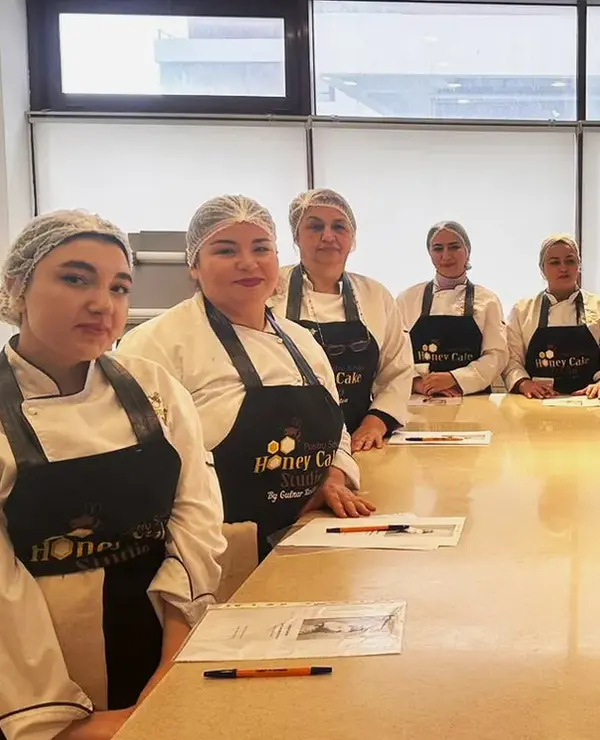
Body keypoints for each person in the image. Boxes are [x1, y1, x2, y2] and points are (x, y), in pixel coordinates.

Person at [0, 211, 224, 740]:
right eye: (75, 279)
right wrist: (59, 723)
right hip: (29, 686)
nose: (103, 304)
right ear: (17, 286)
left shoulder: (155, 388)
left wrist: (171, 665)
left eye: (119, 287)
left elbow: (195, 518)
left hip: (161, 646)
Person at [118, 195, 371, 561]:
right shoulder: (154, 344)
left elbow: (339, 432)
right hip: (212, 554)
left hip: (307, 539)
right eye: (226, 250)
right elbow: (140, 472)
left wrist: (335, 476)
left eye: (261, 248)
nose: (248, 263)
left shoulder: (302, 342)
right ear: (194, 264)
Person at [274, 189, 413, 450]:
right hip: (283, 447)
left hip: (361, 442)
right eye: (315, 226)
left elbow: (397, 370)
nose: (328, 236)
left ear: (351, 238)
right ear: (296, 236)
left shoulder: (375, 295)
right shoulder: (268, 291)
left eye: (339, 226)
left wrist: (377, 422)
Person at [503, 234, 600, 399]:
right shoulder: (522, 311)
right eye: (554, 262)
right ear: (542, 269)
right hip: (537, 402)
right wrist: (524, 383)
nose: (563, 268)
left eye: (570, 261)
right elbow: (511, 361)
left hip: (590, 401)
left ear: (579, 265)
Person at [396, 221, 508, 397]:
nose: (446, 255)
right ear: (430, 254)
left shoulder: (488, 301)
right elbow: (394, 355)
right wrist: (417, 383)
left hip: (473, 398)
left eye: (454, 247)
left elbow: (496, 355)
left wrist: (455, 378)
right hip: (420, 398)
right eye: (438, 249)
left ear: (467, 251)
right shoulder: (407, 299)